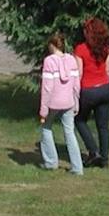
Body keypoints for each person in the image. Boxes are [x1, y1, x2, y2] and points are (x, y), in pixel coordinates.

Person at [37, 31, 83, 175]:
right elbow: (76, 85)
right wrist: (76, 102)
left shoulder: (49, 61)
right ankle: (77, 167)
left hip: (53, 103)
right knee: (70, 133)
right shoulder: (71, 59)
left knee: (46, 128)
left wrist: (43, 110)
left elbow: (47, 88)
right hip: (69, 102)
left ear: (52, 45)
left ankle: (51, 162)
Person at [73, 17, 109, 168]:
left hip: (88, 90)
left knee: (79, 120)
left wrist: (76, 94)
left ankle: (93, 151)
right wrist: (104, 83)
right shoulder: (106, 49)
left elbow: (79, 73)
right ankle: (104, 159)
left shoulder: (81, 49)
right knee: (103, 126)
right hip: (105, 88)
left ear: (88, 32)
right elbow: (108, 69)